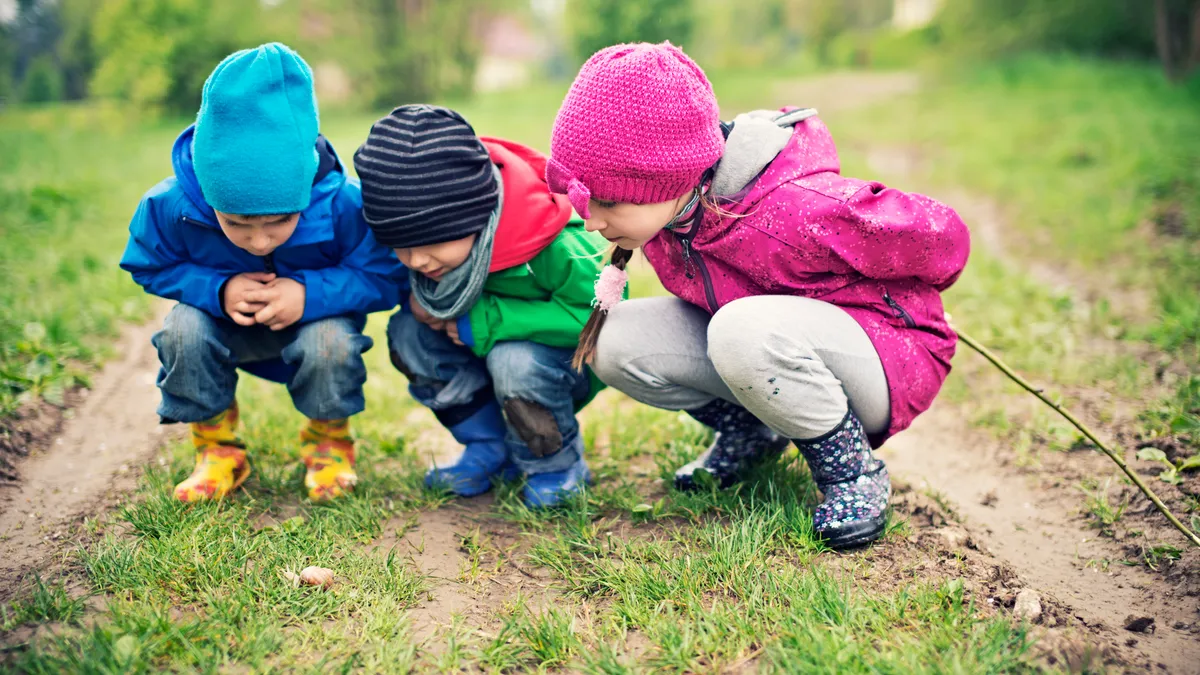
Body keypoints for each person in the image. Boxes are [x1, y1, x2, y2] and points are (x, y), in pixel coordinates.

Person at [546, 42, 970, 547]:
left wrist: (906, 296)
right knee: (613, 340)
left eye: (609, 201)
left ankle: (852, 471)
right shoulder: (671, 217)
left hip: (887, 356)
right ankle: (754, 433)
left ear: (667, 177)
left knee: (739, 328)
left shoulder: (795, 210)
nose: (591, 220)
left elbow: (945, 237)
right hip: (770, 350)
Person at [120, 43, 406, 502]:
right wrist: (217, 288)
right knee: (182, 331)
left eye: (279, 222)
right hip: (223, 323)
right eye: (235, 223)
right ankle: (217, 451)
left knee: (330, 342)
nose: (259, 241)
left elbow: (385, 275)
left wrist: (309, 295)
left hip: (315, 323)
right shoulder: (171, 205)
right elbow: (149, 262)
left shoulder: (343, 203)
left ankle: (328, 445)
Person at [354, 105, 611, 507]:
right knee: (408, 333)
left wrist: (486, 319)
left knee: (514, 361)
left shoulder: (552, 240)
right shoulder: (425, 249)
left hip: (557, 364)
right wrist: (417, 301)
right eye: (401, 247)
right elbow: (375, 274)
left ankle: (556, 463)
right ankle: (490, 446)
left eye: (431, 244)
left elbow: (595, 317)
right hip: (481, 355)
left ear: (475, 217)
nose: (418, 260)